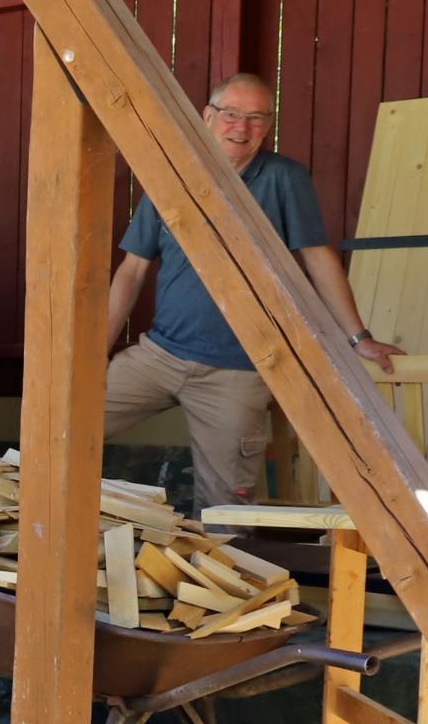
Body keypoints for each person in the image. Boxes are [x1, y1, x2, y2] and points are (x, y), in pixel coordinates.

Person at [105, 71, 405, 513]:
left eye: (256, 119)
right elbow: (131, 272)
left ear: (268, 125)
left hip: (239, 370)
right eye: (230, 115)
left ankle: (231, 579)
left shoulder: (285, 179)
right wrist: (95, 352)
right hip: (159, 355)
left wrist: (358, 338)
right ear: (208, 116)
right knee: (56, 426)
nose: (241, 128)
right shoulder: (170, 175)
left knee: (228, 508)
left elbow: (318, 259)